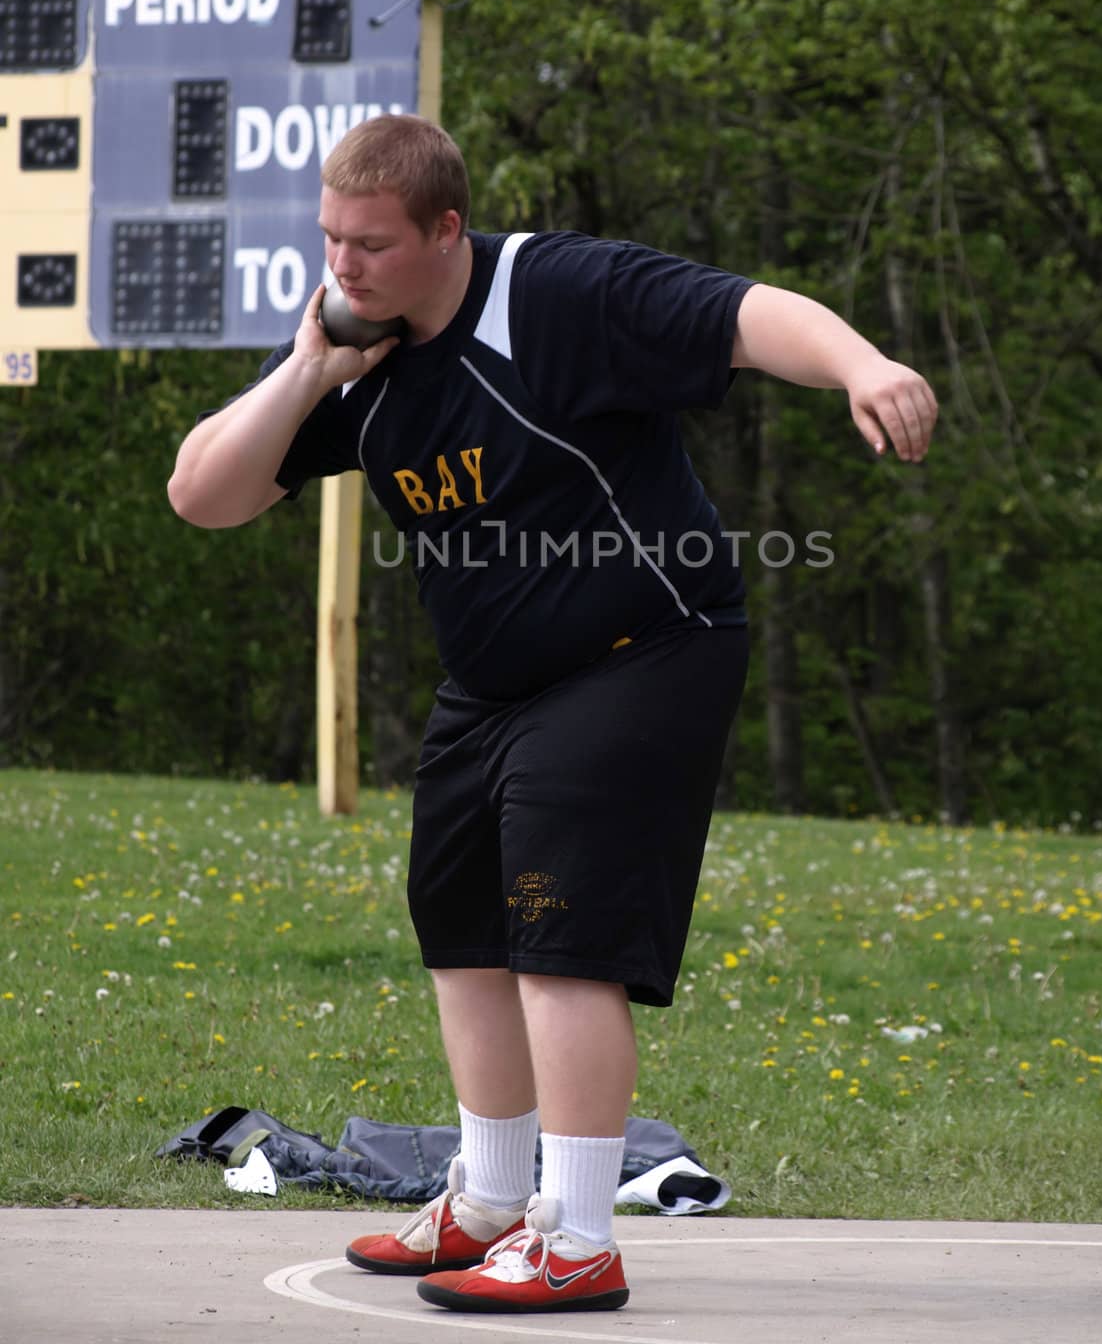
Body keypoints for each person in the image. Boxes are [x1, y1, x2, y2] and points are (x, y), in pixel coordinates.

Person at [168, 114, 937, 1315]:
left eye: (369, 243)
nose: (344, 266)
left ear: (447, 231)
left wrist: (864, 366)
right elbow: (202, 493)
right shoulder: (353, 356)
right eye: (329, 240)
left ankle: (577, 1234)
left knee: (557, 933)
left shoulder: (557, 291)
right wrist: (311, 365)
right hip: (492, 686)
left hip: (650, 650)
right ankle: (487, 1199)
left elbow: (745, 314)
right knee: (461, 925)